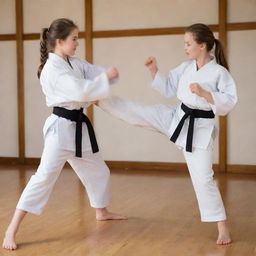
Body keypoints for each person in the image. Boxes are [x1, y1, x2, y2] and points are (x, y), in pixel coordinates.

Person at [97, 23, 237, 245]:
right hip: (176, 116)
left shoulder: (219, 73)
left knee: (204, 179)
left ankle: (222, 227)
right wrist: (153, 70)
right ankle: (102, 101)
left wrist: (205, 94)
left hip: (199, 129)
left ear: (202, 45)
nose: (185, 47)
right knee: (141, 113)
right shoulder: (186, 67)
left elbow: (228, 102)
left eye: (188, 43)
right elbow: (169, 87)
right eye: (185, 43)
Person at [2, 18, 127, 251]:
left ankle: (101, 211)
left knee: (99, 170)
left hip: (79, 128)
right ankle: (11, 229)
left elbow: (93, 74)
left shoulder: (74, 62)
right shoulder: (52, 70)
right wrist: (104, 79)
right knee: (43, 178)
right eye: (74, 39)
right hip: (60, 131)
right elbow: (80, 91)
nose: (77, 43)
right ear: (60, 41)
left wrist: (107, 75)